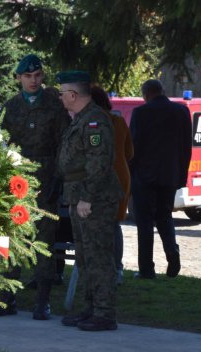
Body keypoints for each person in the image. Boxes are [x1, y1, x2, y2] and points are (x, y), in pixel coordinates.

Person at [0, 53, 71, 320]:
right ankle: (7, 296)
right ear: (19, 78)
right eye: (27, 76)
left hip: (47, 182)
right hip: (17, 183)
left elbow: (64, 145)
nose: (33, 81)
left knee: (44, 242)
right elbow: (2, 145)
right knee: (12, 239)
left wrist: (57, 180)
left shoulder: (55, 105)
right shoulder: (10, 107)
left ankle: (42, 301)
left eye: (37, 76)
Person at [56, 71, 122, 332]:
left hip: (94, 198)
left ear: (73, 95)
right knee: (84, 256)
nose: (60, 97)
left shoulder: (95, 121)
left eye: (62, 93)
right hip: (78, 195)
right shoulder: (80, 119)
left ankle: (105, 313)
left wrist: (86, 198)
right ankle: (91, 308)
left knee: (99, 256)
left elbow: (99, 163)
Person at [129, 79, 192, 279]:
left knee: (144, 222)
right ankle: (173, 255)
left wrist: (130, 176)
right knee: (165, 217)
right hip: (170, 175)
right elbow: (186, 148)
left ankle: (147, 269)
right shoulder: (181, 112)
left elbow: (134, 148)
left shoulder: (141, 113)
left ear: (145, 94)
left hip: (144, 176)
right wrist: (181, 176)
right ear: (162, 90)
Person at [90, 86, 134, 284]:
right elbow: (130, 152)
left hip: (105, 176)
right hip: (121, 174)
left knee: (106, 224)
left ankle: (108, 267)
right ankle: (117, 268)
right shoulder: (119, 121)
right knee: (115, 224)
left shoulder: (92, 123)